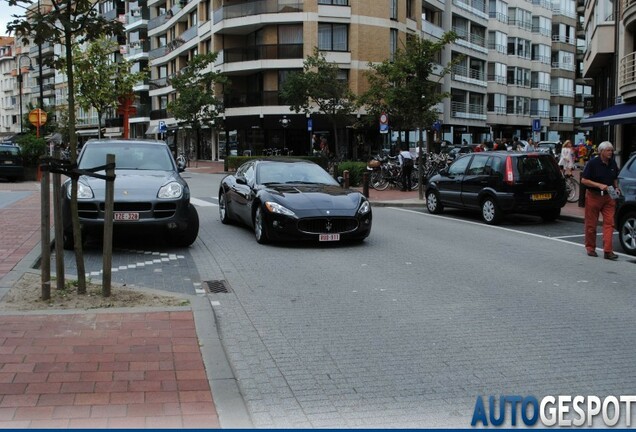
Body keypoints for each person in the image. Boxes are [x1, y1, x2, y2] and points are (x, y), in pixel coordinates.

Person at [580, 141, 621, 260]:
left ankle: (608, 251)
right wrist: (598, 185)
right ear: (601, 151)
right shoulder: (592, 163)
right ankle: (590, 248)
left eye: (611, 150)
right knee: (591, 224)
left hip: (609, 197)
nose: (611, 152)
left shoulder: (612, 163)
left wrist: (616, 188)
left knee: (609, 223)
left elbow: (614, 178)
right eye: (608, 150)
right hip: (594, 196)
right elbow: (584, 180)